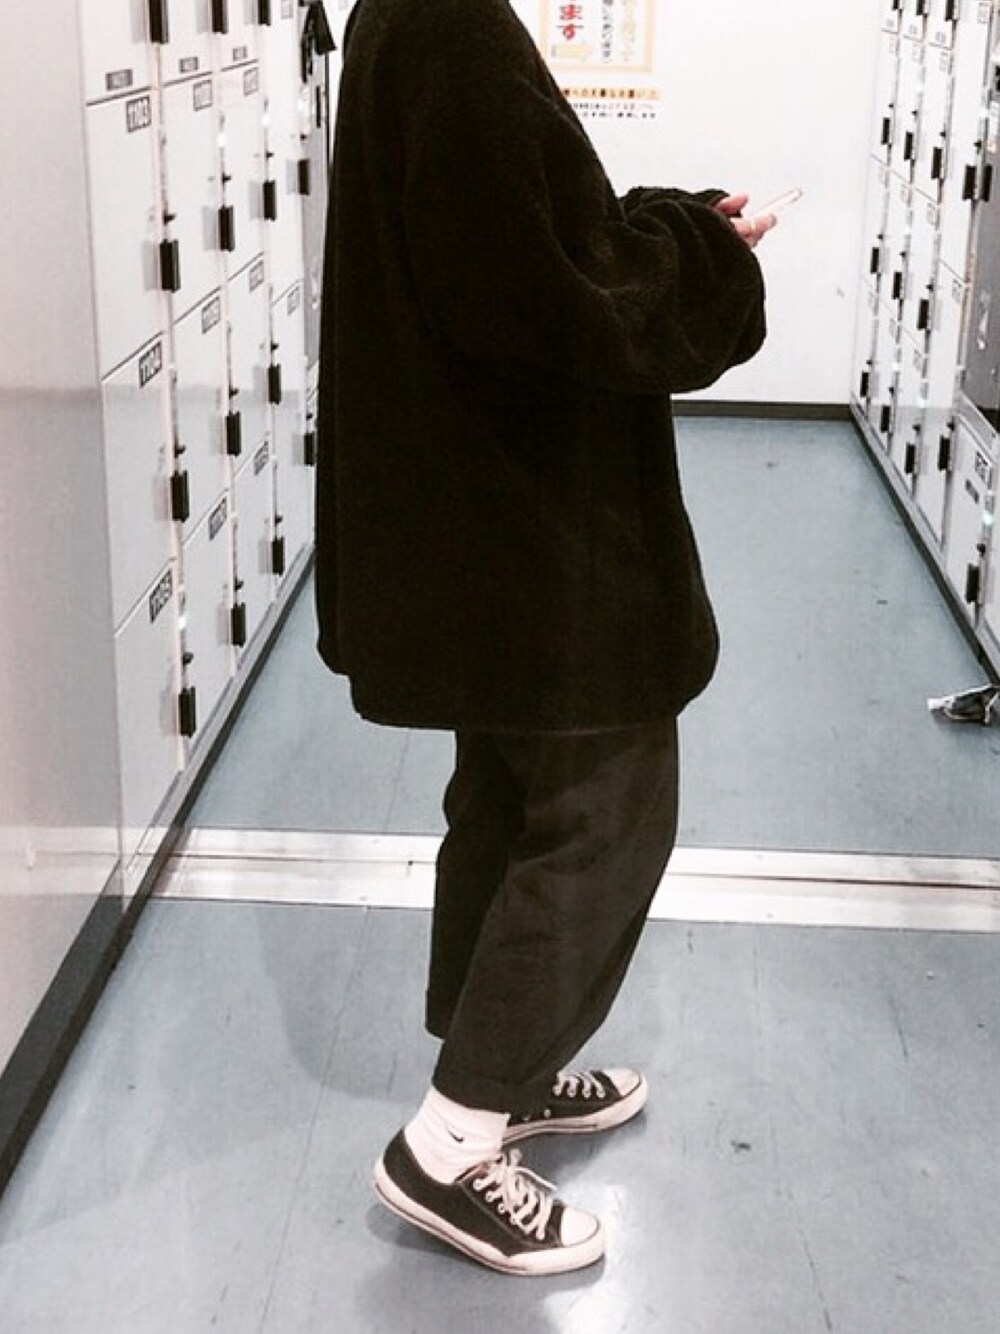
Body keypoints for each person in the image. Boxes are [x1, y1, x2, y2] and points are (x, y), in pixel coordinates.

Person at [315, 0, 772, 1277]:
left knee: (511, 799)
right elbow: (545, 298)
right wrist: (701, 251)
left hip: (480, 521)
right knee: (604, 815)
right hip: (535, 533)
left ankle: (502, 1070)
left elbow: (521, 238)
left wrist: (670, 219)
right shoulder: (454, 29)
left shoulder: (412, 16)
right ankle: (452, 1143)